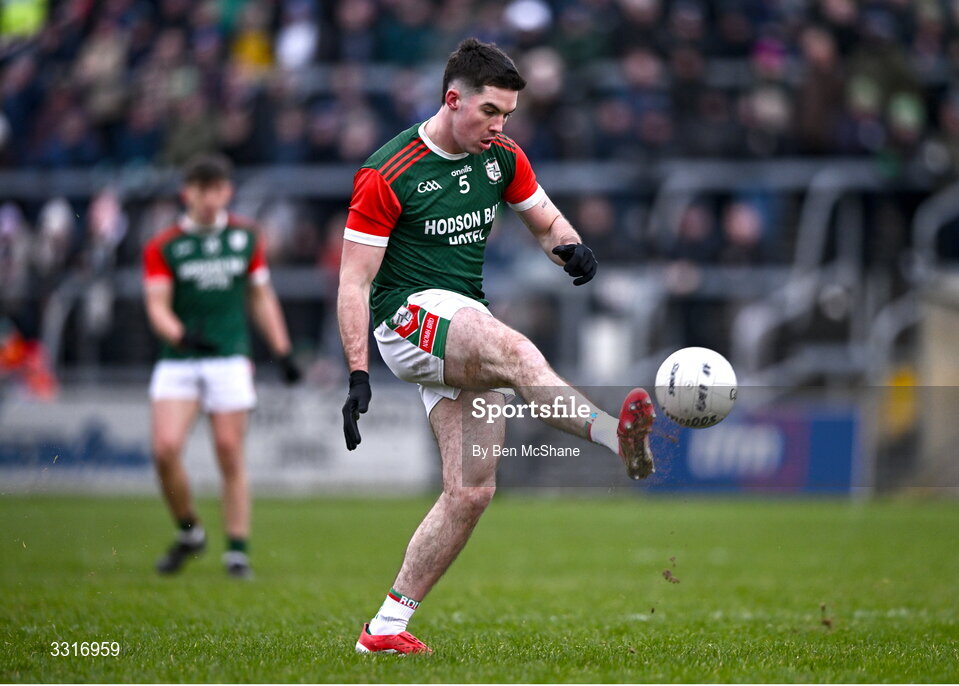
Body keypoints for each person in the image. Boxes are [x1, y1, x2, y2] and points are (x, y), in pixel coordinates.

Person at [337, 38, 656, 654]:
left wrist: (572, 249)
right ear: (452, 99)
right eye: (490, 112)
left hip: (460, 322)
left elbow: (545, 220)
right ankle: (615, 434)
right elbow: (354, 281)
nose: (500, 125)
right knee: (515, 352)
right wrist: (357, 372)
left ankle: (384, 629)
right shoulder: (387, 171)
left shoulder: (502, 157)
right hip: (405, 320)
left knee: (472, 492)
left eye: (508, 115)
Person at [142, 154, 301, 579]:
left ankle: (236, 550)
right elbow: (156, 306)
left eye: (217, 190)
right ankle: (190, 531)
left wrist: (282, 351)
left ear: (227, 192)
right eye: (201, 190)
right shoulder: (164, 246)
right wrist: (180, 334)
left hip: (229, 357)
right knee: (164, 450)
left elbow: (261, 297)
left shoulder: (246, 238)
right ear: (187, 193)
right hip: (179, 360)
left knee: (229, 451)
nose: (210, 199)